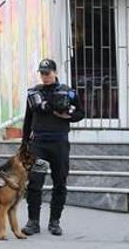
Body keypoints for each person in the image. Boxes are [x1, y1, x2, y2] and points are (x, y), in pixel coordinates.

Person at [21, 59, 84, 237]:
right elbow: (28, 119)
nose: (45, 76)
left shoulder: (67, 92)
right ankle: (33, 222)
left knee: (60, 182)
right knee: (35, 182)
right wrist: (24, 143)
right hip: (39, 145)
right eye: (42, 73)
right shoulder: (35, 92)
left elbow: (80, 113)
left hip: (59, 144)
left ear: (55, 72)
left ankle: (54, 222)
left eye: (47, 73)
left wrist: (67, 115)